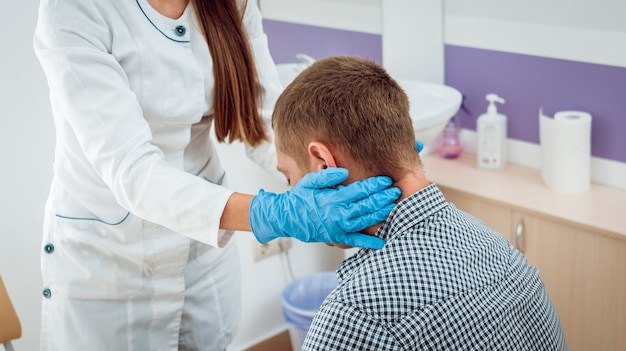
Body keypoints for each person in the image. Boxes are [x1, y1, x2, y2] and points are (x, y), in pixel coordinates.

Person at [33, 1, 401, 350]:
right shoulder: (75, 9)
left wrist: (346, 169)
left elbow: (266, 121)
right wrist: (271, 213)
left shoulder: (235, 4)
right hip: (111, 254)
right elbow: (133, 171)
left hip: (201, 253)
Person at [272, 56, 567, 350]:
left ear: (324, 165)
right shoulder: (503, 253)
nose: (291, 193)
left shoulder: (354, 315)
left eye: (288, 178)